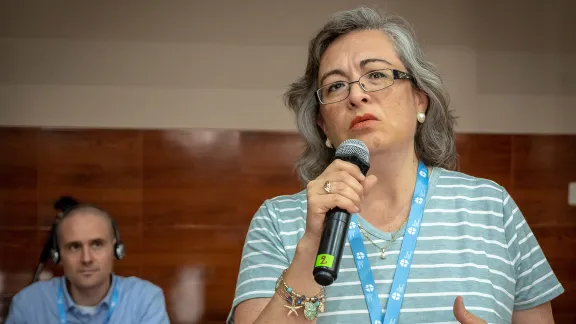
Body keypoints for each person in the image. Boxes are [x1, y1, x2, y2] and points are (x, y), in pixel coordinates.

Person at [228, 6, 563, 324]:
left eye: (376, 74)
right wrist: (310, 248)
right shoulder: (278, 221)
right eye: (335, 86)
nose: (356, 95)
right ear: (322, 124)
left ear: (420, 98)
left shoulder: (491, 208)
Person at [6, 204, 170, 324]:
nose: (86, 259)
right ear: (57, 256)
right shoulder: (28, 303)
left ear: (116, 249)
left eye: (97, 244)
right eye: (74, 247)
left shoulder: (144, 299)